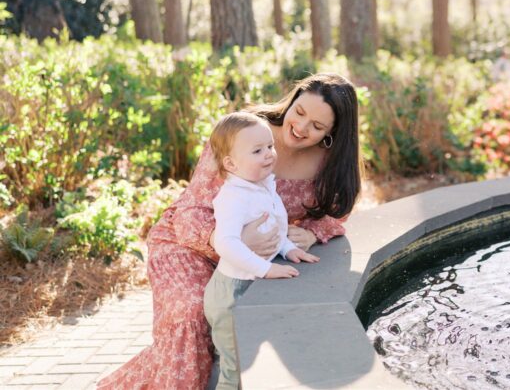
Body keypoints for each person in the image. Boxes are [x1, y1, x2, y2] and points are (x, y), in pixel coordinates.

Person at [97, 73, 360, 390]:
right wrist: (231, 242)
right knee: (190, 314)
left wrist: (313, 232)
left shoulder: (328, 164)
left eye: (317, 127)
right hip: (188, 243)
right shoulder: (244, 131)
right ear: (292, 100)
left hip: (243, 263)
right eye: (299, 111)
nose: (301, 127)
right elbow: (192, 208)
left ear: (333, 134)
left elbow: (338, 213)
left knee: (218, 334)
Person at [203, 111, 319, 390]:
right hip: (231, 293)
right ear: (231, 163)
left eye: (270, 147)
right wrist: (266, 268)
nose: (269, 154)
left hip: (250, 283)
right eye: (257, 150)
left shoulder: (262, 185)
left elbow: (273, 225)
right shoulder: (233, 196)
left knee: (257, 361)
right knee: (237, 368)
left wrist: (288, 248)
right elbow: (226, 243)